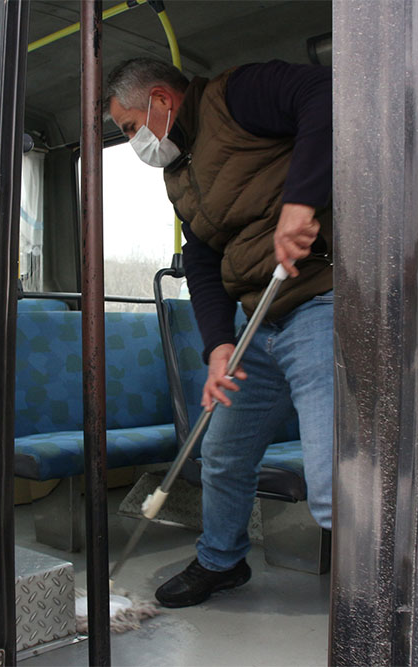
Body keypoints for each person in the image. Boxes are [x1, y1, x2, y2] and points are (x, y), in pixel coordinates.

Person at [106, 57, 333, 608]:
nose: (136, 142)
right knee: (224, 453)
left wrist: (301, 202)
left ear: (161, 99)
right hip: (258, 320)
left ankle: (382, 590)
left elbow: (327, 97)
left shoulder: (236, 96)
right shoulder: (178, 175)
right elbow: (204, 260)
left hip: (322, 300)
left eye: (131, 127)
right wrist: (218, 346)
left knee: (333, 479)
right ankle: (221, 560)